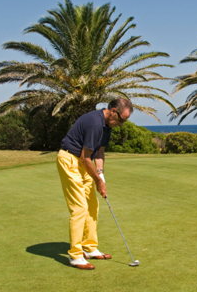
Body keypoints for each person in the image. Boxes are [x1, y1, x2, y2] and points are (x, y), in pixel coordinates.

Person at [57, 98, 133, 269]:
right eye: (121, 119)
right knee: (80, 208)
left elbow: (99, 152)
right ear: (113, 111)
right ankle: (75, 256)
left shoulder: (108, 125)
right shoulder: (95, 124)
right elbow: (85, 157)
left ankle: (89, 248)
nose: (121, 124)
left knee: (92, 205)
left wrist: (101, 175)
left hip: (83, 163)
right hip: (70, 160)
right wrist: (98, 182)